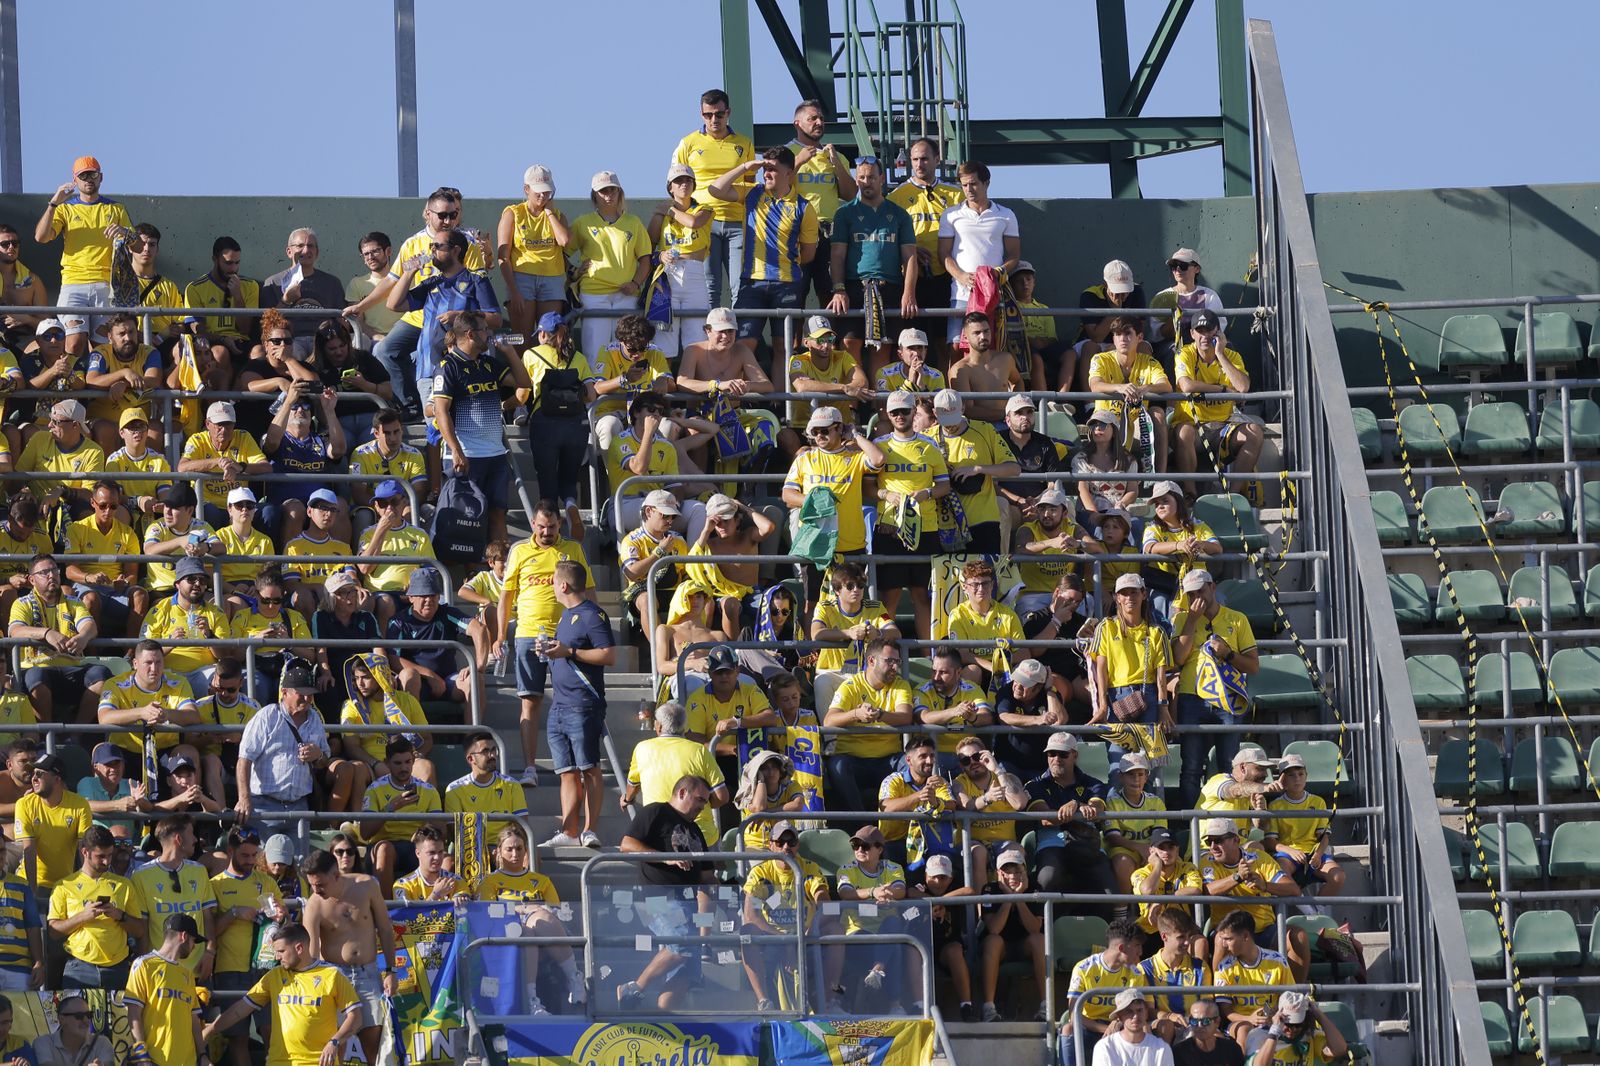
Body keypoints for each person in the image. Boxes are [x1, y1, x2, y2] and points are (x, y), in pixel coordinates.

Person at [347, 188, 488, 418]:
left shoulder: (466, 243)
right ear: (427, 213)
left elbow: (478, 288)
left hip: (455, 319)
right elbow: (390, 283)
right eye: (442, 215)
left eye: (453, 215)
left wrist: (459, 314)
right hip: (418, 316)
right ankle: (409, 405)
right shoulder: (412, 244)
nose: (448, 220)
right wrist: (360, 307)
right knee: (384, 350)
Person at [499, 500, 595, 786]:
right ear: (532, 524)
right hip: (528, 634)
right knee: (530, 701)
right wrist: (499, 635)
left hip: (566, 634)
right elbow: (506, 596)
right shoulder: (519, 551)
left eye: (551, 527)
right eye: (541, 526)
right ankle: (530, 767)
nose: (546, 532)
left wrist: (592, 630)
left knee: (572, 701)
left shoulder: (572, 549)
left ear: (560, 525)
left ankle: (575, 764)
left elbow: (589, 591)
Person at [387, 231, 504, 439]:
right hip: (430, 368)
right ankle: (438, 473)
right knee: (435, 432)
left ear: (456, 250)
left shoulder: (476, 280)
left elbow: (495, 318)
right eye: (431, 247)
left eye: (437, 247)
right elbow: (393, 304)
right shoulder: (431, 283)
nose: (431, 251)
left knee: (466, 433)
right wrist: (409, 273)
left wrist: (459, 316)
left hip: (466, 372)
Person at [615, 775, 717, 1010]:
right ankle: (634, 988)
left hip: (689, 904)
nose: (703, 807)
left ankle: (664, 1022)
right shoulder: (656, 812)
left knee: (687, 971)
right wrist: (668, 858)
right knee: (681, 943)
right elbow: (627, 845)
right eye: (700, 799)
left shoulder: (696, 830)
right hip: (657, 898)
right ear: (682, 793)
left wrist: (723, 894)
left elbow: (707, 877)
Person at [707, 146, 818, 359]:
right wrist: (746, 167)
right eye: (764, 168)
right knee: (742, 346)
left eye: (772, 169)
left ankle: (781, 393)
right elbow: (715, 189)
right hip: (751, 282)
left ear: (789, 173)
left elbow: (809, 253)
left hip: (786, 284)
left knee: (783, 348)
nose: (765, 173)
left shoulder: (804, 207)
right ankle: (741, 391)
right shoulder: (752, 193)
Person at [201, 922, 363, 1066]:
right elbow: (240, 1010)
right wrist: (211, 1029)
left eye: (281, 951)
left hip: (317, 1061)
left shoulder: (332, 975)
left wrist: (334, 1042)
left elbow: (355, 1017)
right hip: (279, 1061)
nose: (277, 957)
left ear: (299, 948)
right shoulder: (274, 976)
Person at [540, 560, 616, 849]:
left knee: (589, 767)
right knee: (567, 772)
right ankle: (570, 831)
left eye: (553, 580)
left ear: (563, 585)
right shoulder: (565, 615)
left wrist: (568, 651)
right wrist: (550, 650)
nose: (551, 586)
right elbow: (566, 655)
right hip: (559, 704)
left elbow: (608, 655)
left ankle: (589, 829)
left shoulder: (593, 615)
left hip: (584, 704)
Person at [302, 848, 400, 1065]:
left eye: (320, 884)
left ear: (336, 875)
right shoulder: (314, 904)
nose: (315, 890)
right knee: (335, 1042)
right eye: (311, 885)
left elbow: (385, 929)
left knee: (374, 1042)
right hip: (334, 977)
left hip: (368, 972)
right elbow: (310, 952)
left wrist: (391, 971)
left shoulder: (366, 886)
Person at [781, 405, 885, 607]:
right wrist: (812, 500)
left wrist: (854, 434)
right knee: (812, 604)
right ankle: (812, 640)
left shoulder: (855, 457)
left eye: (825, 430)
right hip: (815, 545)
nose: (819, 435)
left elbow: (878, 459)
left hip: (851, 544)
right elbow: (787, 495)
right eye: (815, 431)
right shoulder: (805, 457)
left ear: (839, 428)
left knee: (853, 604)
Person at [1172, 569, 1259, 809]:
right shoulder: (1181, 620)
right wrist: (1191, 620)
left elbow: (1253, 666)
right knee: (1190, 766)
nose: (1196, 597)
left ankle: (1229, 821)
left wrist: (1228, 654)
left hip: (1227, 698)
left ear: (1213, 587)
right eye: (1190, 594)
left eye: (1200, 590)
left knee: (1230, 765)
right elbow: (1178, 658)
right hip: (1192, 696)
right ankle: (1192, 823)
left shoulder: (1237, 618)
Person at [475, 824, 585, 1013]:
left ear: (526, 850)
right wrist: (526, 908)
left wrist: (528, 910)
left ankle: (575, 979)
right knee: (526, 930)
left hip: (542, 933)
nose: (515, 854)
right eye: (509, 849)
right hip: (506, 935)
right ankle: (532, 1000)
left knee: (541, 919)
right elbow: (489, 913)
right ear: (498, 852)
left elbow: (556, 912)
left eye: (519, 848)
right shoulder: (489, 882)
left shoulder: (541, 881)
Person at [739, 819, 844, 1013]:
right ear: (771, 844)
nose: (786, 846)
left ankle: (830, 1002)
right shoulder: (760, 872)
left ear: (798, 845)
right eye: (780, 842)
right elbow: (750, 915)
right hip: (771, 938)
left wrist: (803, 934)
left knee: (836, 930)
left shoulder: (810, 868)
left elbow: (825, 903)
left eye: (791, 841)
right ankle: (764, 1002)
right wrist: (785, 940)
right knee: (746, 932)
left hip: (807, 935)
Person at [235, 658, 334, 858]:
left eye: (310, 695)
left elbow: (324, 762)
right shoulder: (267, 716)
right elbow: (244, 759)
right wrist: (244, 799)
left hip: (299, 806)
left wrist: (318, 756)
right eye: (302, 694)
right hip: (264, 806)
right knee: (263, 865)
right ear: (285, 692)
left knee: (298, 867)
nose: (307, 700)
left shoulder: (315, 719)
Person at [34, 155, 132, 355]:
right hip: (74, 284)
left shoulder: (116, 208)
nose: (88, 179)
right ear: (75, 179)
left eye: (92, 174)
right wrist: (53, 203)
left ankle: (96, 382)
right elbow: (41, 237)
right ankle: (69, 381)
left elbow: (137, 247)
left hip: (107, 286)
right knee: (74, 344)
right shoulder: (65, 208)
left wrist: (125, 233)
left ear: (101, 177)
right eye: (83, 175)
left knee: (104, 347)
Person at [872, 388, 949, 637]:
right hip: (889, 528)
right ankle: (885, 650)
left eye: (905, 411)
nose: (900, 416)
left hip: (925, 528)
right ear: (887, 414)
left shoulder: (930, 446)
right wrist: (885, 494)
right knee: (888, 596)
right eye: (895, 412)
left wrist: (927, 493)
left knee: (922, 596)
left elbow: (944, 486)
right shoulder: (879, 446)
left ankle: (929, 657)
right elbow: (866, 486)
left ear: (914, 412)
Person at [671, 89, 757, 308]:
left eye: (719, 114)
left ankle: (737, 336)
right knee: (709, 284)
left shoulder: (744, 143)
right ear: (701, 115)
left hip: (737, 220)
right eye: (708, 115)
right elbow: (676, 182)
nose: (714, 120)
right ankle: (709, 337)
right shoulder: (688, 143)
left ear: (728, 113)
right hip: (702, 222)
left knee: (740, 283)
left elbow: (750, 184)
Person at [826, 155, 918, 359]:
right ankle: (859, 389)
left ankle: (879, 390)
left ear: (882, 178)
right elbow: (837, 255)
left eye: (871, 177)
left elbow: (910, 257)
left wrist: (908, 292)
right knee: (849, 344)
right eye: (862, 178)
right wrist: (839, 289)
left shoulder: (899, 214)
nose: (866, 182)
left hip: (890, 286)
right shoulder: (844, 213)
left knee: (883, 348)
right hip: (855, 286)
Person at [517, 312, 597, 537]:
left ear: (542, 333)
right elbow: (590, 395)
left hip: (545, 423)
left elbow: (523, 396)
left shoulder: (531, 354)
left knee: (547, 481)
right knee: (569, 477)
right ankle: (571, 507)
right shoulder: (578, 357)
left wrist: (507, 405)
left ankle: (551, 529)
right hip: (575, 425)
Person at [1199, 819, 1308, 981]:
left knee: (1298, 936)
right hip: (1228, 930)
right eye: (1209, 841)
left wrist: (1265, 886)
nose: (1213, 847)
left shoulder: (1260, 858)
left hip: (1263, 930)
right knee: (1221, 939)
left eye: (1219, 840)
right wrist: (1237, 877)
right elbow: (1207, 891)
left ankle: (1294, 995)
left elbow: (1293, 889)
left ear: (1236, 840)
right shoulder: (1207, 861)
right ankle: (1216, 997)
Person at [209, 826, 282, 1066]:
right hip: (230, 969)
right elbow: (210, 932)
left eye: (254, 855)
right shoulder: (215, 885)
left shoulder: (267, 882)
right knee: (238, 1038)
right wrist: (233, 914)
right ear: (230, 851)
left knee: (271, 1033)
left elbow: (284, 924)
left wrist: (283, 917)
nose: (251, 861)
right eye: (245, 856)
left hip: (265, 967)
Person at [8, 552, 111, 723]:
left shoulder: (74, 602)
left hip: (72, 667)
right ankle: (48, 733)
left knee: (101, 673)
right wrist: (47, 633)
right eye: (44, 573)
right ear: (32, 580)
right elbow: (15, 630)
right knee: (36, 677)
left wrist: (83, 637)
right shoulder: (22, 603)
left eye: (54, 570)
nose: (51, 576)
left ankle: (77, 732)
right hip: (36, 666)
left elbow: (89, 626)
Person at [1088, 574, 1175, 768]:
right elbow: (1100, 670)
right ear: (1116, 597)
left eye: (1134, 592)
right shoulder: (1106, 627)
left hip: (1150, 697)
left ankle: (1150, 799)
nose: (1129, 598)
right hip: (1115, 697)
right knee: (1117, 764)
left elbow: (1161, 677)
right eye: (1124, 593)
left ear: (1144, 594)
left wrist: (1163, 707)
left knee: (1148, 767)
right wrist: (1102, 706)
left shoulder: (1156, 631)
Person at [825, 638, 915, 819]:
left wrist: (881, 714)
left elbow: (906, 716)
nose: (894, 667)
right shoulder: (850, 686)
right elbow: (829, 721)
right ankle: (862, 822)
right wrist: (856, 714)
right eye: (889, 661)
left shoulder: (900, 685)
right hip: (853, 759)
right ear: (871, 661)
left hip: (888, 759)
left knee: (911, 763)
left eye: (897, 662)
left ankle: (900, 824)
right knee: (838, 766)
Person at [1172, 309, 1263, 482]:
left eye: (1209, 330)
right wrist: (1222, 390)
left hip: (1224, 427)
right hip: (1194, 426)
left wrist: (1220, 354)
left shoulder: (1231, 356)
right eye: (1200, 331)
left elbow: (1243, 387)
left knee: (1255, 433)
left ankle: (1236, 494)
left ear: (1218, 332)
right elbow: (1186, 385)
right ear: (1192, 334)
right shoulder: (1185, 353)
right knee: (1184, 433)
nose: (1204, 336)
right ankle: (1190, 493)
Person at [570, 171, 653, 357]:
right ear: (594, 195)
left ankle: (624, 386)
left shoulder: (634, 222)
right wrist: (574, 272)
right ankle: (596, 387)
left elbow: (645, 260)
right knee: (595, 353)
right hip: (593, 295)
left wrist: (635, 284)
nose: (608, 195)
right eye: (603, 191)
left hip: (626, 296)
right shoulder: (583, 223)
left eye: (612, 190)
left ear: (620, 193)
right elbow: (562, 251)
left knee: (627, 351)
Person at [48, 824, 142, 989]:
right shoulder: (64, 886)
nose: (107, 861)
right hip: (79, 967)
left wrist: (120, 916)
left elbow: (140, 930)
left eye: (110, 855)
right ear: (85, 852)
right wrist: (83, 916)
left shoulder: (124, 884)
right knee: (75, 1014)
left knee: (118, 1016)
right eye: (100, 856)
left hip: (117, 967)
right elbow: (53, 931)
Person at [621, 701, 727, 847]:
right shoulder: (699, 750)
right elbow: (722, 797)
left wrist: (627, 799)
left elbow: (632, 787)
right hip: (701, 836)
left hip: (659, 835)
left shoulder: (642, 749)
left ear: (658, 726)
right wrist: (701, 802)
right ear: (684, 727)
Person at [936, 160, 1021, 342]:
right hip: (960, 294)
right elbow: (943, 254)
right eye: (964, 185)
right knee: (956, 346)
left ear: (986, 183)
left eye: (973, 184)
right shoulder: (951, 215)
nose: (969, 189)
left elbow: (1014, 256)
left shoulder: (1006, 215)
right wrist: (961, 276)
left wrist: (996, 274)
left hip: (994, 294)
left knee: (993, 346)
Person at [1025, 733, 1114, 903]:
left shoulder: (1093, 783)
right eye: (1051, 754)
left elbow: (1097, 808)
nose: (1056, 759)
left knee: (1110, 890)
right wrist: (1078, 807)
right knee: (1046, 880)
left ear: (1075, 755)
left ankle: (1118, 927)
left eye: (1063, 754)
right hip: (1051, 842)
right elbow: (1045, 818)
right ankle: (1042, 927)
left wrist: (1077, 804)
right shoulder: (1034, 785)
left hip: (1086, 840)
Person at [835, 825, 915, 1014]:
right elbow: (845, 893)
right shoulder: (846, 869)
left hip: (886, 930)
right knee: (893, 946)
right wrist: (874, 891)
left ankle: (877, 969)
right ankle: (895, 1004)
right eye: (856, 845)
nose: (859, 850)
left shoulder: (893, 868)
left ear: (880, 849)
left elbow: (900, 890)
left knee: (893, 929)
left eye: (865, 846)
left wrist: (888, 893)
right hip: (856, 934)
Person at [929, 388, 1019, 555]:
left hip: (982, 521)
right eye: (945, 419)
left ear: (963, 408)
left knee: (984, 578)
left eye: (953, 418)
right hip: (943, 523)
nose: (950, 425)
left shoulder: (985, 430)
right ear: (934, 413)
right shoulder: (927, 438)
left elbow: (1014, 469)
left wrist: (978, 469)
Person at [95, 638, 202, 773]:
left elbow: (194, 716)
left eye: (158, 662)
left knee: (189, 752)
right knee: (101, 751)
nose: (154, 668)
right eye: (148, 663)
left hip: (165, 751)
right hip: (125, 750)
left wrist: (166, 714)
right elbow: (104, 717)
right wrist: (141, 713)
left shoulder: (179, 683)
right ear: (135, 664)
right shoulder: (114, 684)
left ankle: (192, 795)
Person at [385, 567, 484, 706]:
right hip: (417, 680)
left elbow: (479, 629)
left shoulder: (447, 613)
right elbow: (393, 660)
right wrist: (429, 675)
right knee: (409, 675)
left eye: (432, 595)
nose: (428, 600)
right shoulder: (399, 622)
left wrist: (478, 666)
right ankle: (412, 728)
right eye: (423, 595)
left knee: (475, 679)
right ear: (411, 597)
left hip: (449, 680)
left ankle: (473, 728)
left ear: (438, 596)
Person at [64, 480, 148, 637]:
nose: (108, 511)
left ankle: (130, 654)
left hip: (115, 590)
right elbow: (70, 570)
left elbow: (132, 574)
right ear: (92, 503)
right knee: (91, 598)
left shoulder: (128, 533)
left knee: (140, 594)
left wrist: (125, 581)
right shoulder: (76, 528)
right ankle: (92, 655)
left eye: (113, 506)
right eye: (103, 506)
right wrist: (90, 577)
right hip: (86, 586)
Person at [358, 738, 442, 896]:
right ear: (387, 762)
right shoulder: (375, 789)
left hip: (417, 845)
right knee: (384, 849)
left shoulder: (428, 790)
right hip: (384, 846)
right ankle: (388, 913)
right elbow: (365, 832)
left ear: (413, 761)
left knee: (439, 853)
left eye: (407, 762)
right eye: (397, 763)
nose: (404, 768)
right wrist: (390, 808)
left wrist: (423, 832)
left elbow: (441, 831)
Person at [647, 164, 714, 358]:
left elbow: (693, 223)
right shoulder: (661, 213)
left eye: (687, 180)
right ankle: (664, 380)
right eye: (678, 181)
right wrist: (659, 255)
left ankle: (694, 383)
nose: (683, 184)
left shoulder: (704, 208)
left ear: (694, 185)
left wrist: (669, 209)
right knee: (664, 331)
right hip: (668, 274)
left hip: (694, 272)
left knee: (697, 334)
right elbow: (649, 242)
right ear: (670, 187)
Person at [1088, 316, 1170, 474]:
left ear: (1140, 337)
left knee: (1158, 414)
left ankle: (1159, 479)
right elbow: (1095, 385)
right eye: (1118, 334)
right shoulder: (1100, 359)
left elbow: (1166, 386)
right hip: (1108, 421)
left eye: (1127, 334)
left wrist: (1146, 388)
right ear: (1113, 338)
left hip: (1138, 424)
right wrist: (1120, 387)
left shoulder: (1149, 362)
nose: (1122, 339)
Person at [780, 315, 870, 458]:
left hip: (837, 426)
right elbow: (802, 386)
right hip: (804, 426)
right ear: (806, 342)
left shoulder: (843, 357)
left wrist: (818, 386)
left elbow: (861, 382)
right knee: (786, 436)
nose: (826, 345)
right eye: (821, 340)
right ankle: (802, 475)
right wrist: (844, 388)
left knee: (855, 448)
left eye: (830, 339)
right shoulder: (798, 360)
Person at [809, 561, 897, 707]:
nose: (856, 590)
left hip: (866, 672)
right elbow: (816, 633)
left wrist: (879, 633)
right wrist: (848, 633)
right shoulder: (825, 606)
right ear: (837, 590)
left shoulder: (876, 607)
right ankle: (830, 729)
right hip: (833, 671)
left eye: (860, 586)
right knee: (821, 682)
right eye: (850, 586)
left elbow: (895, 632)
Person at [498, 164, 571, 337]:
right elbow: (503, 256)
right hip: (521, 278)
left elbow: (564, 241)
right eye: (538, 191)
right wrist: (514, 291)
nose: (542, 195)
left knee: (551, 336)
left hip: (552, 279)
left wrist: (549, 213)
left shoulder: (558, 215)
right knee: (522, 338)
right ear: (526, 189)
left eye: (547, 191)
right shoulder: (512, 213)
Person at [125, 912, 207, 1066]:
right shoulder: (144, 965)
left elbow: (194, 1021)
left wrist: (202, 1055)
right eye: (193, 941)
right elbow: (134, 1013)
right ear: (183, 936)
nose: (194, 946)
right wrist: (141, 1054)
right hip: (155, 1061)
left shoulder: (187, 975)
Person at [340, 653, 435, 787]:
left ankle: (428, 807)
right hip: (371, 764)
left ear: (380, 676)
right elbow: (352, 747)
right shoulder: (351, 705)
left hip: (404, 762)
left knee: (426, 767)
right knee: (358, 769)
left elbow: (427, 739)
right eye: (356, 678)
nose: (360, 684)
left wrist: (416, 756)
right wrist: (376, 764)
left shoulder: (407, 700)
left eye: (366, 677)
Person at [978, 841, 1048, 1022]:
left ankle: (1045, 1005)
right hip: (999, 948)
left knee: (1039, 940)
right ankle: (989, 1008)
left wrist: (1020, 898)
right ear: (999, 874)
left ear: (1025, 871)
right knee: (993, 940)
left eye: (1017, 870)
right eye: (1007, 870)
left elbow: (1034, 928)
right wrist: (1010, 897)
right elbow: (994, 928)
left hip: (1025, 945)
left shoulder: (1035, 889)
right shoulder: (989, 889)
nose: (1013, 875)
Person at [355, 479, 439, 628]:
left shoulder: (419, 534)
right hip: (379, 592)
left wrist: (415, 589)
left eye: (393, 502)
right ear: (376, 506)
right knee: (385, 602)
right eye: (382, 503)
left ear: (403, 502)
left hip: (412, 592)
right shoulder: (368, 533)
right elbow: (364, 568)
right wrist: (381, 530)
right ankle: (382, 649)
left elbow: (430, 570)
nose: (388, 508)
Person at [1262, 754, 1345, 900]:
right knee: (1280, 874)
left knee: (1338, 876)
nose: (1297, 779)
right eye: (1291, 775)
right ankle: (1308, 911)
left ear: (1306, 776)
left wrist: (1318, 855)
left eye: (1300, 774)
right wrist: (1290, 851)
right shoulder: (1275, 805)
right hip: (1287, 854)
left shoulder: (1318, 802)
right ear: (1282, 779)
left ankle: (1317, 912)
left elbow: (1324, 836)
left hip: (1313, 852)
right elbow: (1270, 841)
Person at [1063, 920, 1144, 1066]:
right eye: (1137, 945)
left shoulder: (1136, 973)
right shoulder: (1083, 968)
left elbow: (1136, 1010)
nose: (1141, 952)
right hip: (1090, 1027)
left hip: (1121, 1026)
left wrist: (1118, 1024)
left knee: (1144, 1028)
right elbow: (1074, 1015)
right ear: (1122, 947)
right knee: (1068, 1029)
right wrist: (1105, 1029)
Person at [1212, 908, 1297, 1047]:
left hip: (1275, 1019)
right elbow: (1226, 1012)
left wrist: (1274, 1014)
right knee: (1244, 1029)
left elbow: (1288, 997)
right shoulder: (1224, 967)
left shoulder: (1278, 961)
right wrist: (1250, 1019)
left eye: (1229, 939)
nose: (1224, 944)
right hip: (1239, 1021)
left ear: (1245, 936)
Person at [179, 400, 271, 527]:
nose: (224, 429)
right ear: (208, 424)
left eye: (228, 424)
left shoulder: (243, 437)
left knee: (269, 512)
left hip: (240, 505)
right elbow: (182, 467)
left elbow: (266, 467)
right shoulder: (197, 440)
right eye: (219, 425)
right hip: (208, 505)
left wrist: (241, 467)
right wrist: (217, 462)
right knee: (211, 512)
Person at [938, 558, 1024, 689]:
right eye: (975, 584)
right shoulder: (958, 615)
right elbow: (962, 654)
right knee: (973, 671)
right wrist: (991, 666)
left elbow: (1024, 652)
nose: (980, 588)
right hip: (978, 669)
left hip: (1004, 671)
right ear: (965, 587)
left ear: (992, 585)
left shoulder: (1008, 614)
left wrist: (1001, 665)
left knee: (1024, 669)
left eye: (985, 583)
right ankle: (968, 708)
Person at [877, 733, 957, 875]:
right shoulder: (893, 780)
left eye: (932, 756)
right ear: (909, 760)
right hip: (895, 842)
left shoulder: (938, 782)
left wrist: (937, 802)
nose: (929, 760)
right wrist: (919, 795)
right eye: (923, 756)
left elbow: (952, 804)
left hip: (928, 843)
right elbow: (886, 807)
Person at [83, 312, 161, 453]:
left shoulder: (149, 352)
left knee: (155, 431)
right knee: (105, 430)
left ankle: (148, 475)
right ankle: (106, 475)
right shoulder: (100, 353)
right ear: (110, 337)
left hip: (138, 420)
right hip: (103, 419)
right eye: (122, 334)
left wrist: (124, 384)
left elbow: (154, 379)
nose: (128, 338)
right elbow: (92, 380)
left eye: (131, 332)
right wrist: (124, 373)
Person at [260, 228, 346, 357]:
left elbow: (342, 320)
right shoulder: (273, 283)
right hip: (290, 341)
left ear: (317, 252)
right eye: (300, 246)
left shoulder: (332, 283)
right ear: (289, 251)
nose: (306, 250)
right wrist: (286, 300)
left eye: (311, 246)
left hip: (324, 340)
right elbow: (267, 327)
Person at [1143, 483, 1223, 619]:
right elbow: (1148, 548)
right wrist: (1178, 545)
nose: (1160, 506)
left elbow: (1217, 548)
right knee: (1158, 601)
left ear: (1178, 502)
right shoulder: (1152, 528)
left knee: (1219, 599)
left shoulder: (1197, 525)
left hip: (1197, 584)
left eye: (1165, 501)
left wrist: (1201, 544)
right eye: (1156, 504)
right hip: (1165, 584)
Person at [312, 317, 391, 450]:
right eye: (332, 348)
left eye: (342, 346)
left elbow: (388, 393)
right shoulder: (314, 369)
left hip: (370, 419)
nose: (338, 352)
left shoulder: (364, 358)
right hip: (338, 421)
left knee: (373, 449)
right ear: (322, 349)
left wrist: (365, 385)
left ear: (349, 343)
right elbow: (316, 409)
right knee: (337, 448)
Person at [999, 396, 1072, 541]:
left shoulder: (1045, 443)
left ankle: (1069, 560)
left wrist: (1038, 502)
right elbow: (991, 484)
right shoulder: (996, 441)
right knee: (1000, 507)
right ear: (1007, 420)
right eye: (1019, 413)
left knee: (1067, 505)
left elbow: (1052, 482)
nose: (1025, 417)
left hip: (1040, 506)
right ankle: (1003, 562)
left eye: (1029, 412)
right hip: (1010, 504)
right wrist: (1018, 500)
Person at [16, 398, 104, 516]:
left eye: (56, 422)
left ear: (75, 425)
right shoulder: (39, 438)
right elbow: (18, 475)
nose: (49, 425)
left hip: (69, 507)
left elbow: (90, 494)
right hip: (36, 503)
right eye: (50, 419)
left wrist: (62, 491)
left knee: (85, 511)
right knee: (20, 506)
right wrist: (24, 489)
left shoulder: (94, 452)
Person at [915, 647, 994, 776]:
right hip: (933, 757)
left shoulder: (971, 689)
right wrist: (954, 711)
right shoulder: (922, 690)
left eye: (943, 672)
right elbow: (922, 717)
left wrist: (973, 717)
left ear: (958, 673)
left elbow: (987, 716)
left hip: (966, 758)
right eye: (934, 671)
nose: (936, 677)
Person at [1138, 908, 1213, 1043]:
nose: (1187, 942)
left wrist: (1194, 1020)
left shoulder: (1200, 967)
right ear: (1164, 937)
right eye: (1181, 937)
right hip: (1161, 1024)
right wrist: (1169, 1016)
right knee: (1165, 1027)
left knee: (1214, 1036)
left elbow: (1207, 1006)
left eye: (1189, 936)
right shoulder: (1145, 969)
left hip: (1194, 1024)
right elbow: (1147, 1010)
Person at [1101, 751, 1169, 896]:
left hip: (1150, 849)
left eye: (1140, 774)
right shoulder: (1113, 802)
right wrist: (1140, 848)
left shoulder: (1156, 802)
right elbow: (1113, 838)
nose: (1136, 779)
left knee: (1166, 860)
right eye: (1130, 774)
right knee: (1123, 862)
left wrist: (1150, 851)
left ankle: (1153, 910)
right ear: (1121, 777)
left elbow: (1160, 835)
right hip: (1123, 849)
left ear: (1146, 776)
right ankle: (1122, 911)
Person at [1013, 484, 1083, 615]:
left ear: (1065, 513)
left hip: (1067, 594)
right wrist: (1051, 543)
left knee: (1086, 602)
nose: (1046, 514)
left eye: (1053, 509)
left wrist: (1079, 544)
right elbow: (1020, 549)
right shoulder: (1028, 528)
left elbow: (1096, 549)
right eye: (1042, 509)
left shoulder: (1073, 528)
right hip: (1033, 595)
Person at [1131, 828, 1206, 948]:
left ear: (1177, 850)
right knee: (1130, 943)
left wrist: (1162, 899)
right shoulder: (1140, 873)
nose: (1166, 852)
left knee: (1200, 943)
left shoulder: (1188, 868)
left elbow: (1195, 890)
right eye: (1161, 848)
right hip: (1149, 928)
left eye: (1171, 847)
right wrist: (1157, 865)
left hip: (1181, 928)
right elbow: (1148, 891)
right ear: (1151, 851)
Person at [443, 732, 529, 832]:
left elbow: (522, 827)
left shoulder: (512, 785)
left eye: (493, 750)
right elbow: (455, 832)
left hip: (504, 845)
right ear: (471, 759)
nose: (492, 755)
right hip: (472, 846)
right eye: (485, 751)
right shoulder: (455, 789)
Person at [1074, 409, 1141, 530]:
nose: (1097, 428)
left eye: (1103, 425)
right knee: (1101, 529)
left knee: (1136, 526)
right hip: (1090, 511)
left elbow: (1133, 490)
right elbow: (1082, 489)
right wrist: (1094, 514)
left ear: (1114, 431)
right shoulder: (1082, 458)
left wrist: (1121, 504)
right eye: (1094, 425)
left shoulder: (1128, 460)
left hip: (1117, 512)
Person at [948, 312, 1021, 423]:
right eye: (977, 333)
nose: (983, 337)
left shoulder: (1005, 359)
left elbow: (1018, 381)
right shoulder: (960, 370)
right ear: (965, 337)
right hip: (979, 428)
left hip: (1009, 424)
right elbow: (968, 410)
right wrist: (1007, 414)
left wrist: (1018, 406)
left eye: (986, 331)